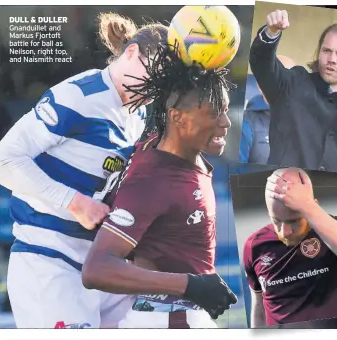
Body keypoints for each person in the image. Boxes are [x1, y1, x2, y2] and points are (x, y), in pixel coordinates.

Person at [0, 12, 168, 328]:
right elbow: (4, 160)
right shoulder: (78, 96)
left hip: (101, 263)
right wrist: (74, 202)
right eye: (152, 76)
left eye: (161, 85)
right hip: (48, 260)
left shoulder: (139, 112)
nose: (153, 91)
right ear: (131, 53)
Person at [82, 41, 238, 329]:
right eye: (215, 112)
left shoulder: (185, 153)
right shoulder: (152, 178)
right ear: (178, 117)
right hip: (167, 320)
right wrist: (189, 285)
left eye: (226, 110)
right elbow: (96, 269)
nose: (226, 122)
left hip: (183, 317)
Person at [250, 9, 337, 174]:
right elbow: (262, 64)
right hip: (279, 192)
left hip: (332, 199)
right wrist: (271, 32)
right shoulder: (291, 84)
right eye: (326, 51)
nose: (332, 59)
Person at [243, 167, 337, 327]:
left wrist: (307, 206)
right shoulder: (255, 245)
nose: (285, 232)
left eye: (294, 221)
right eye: (276, 221)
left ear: (312, 206)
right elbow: (259, 307)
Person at [239, 55, 296, 164]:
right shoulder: (246, 124)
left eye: (290, 79)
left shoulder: (307, 122)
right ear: (260, 85)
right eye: (277, 79)